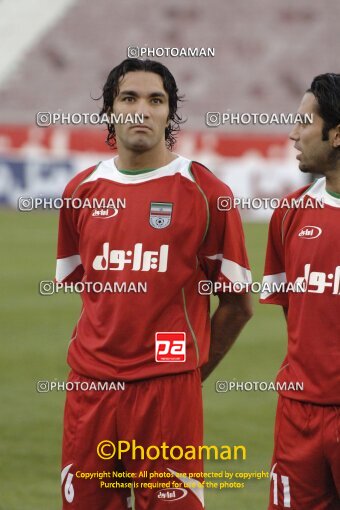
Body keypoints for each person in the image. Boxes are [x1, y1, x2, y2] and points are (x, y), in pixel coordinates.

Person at [56, 58, 252, 510]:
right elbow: (92, 295)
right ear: (110, 111)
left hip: (168, 391)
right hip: (90, 391)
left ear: (170, 115)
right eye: (129, 98)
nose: (141, 110)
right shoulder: (80, 192)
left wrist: (187, 375)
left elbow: (238, 304)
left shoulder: (207, 193)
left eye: (155, 100)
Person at [260, 73, 340, 509]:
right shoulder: (289, 215)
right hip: (298, 415)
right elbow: (298, 317)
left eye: (305, 122)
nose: (293, 133)